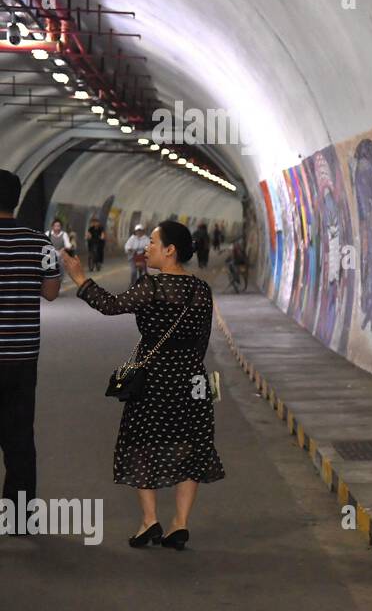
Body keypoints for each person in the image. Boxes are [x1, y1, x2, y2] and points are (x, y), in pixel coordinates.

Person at [62, 221, 224, 549]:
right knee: (193, 444)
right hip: (193, 376)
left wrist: (81, 279)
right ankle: (180, 523)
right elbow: (203, 340)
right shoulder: (201, 290)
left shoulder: (152, 286)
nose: (146, 248)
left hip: (154, 378)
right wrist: (190, 370)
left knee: (141, 443)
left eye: (152, 242)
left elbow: (111, 305)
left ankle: (150, 521)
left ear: (170, 250)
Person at [0, 170, 62, 522]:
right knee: (19, 438)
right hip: (22, 358)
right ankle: (19, 518)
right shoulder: (40, 242)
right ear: (16, 200)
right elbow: (52, 293)